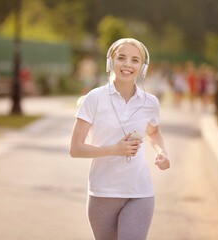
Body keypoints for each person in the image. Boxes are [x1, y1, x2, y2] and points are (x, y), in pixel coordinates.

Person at [70, 38, 170, 240]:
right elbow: (76, 149)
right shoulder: (94, 98)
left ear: (142, 67)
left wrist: (162, 152)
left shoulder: (150, 102)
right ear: (110, 62)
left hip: (139, 191)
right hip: (103, 192)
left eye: (135, 60)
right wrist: (114, 149)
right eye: (121, 58)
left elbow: (153, 132)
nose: (127, 64)